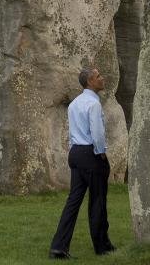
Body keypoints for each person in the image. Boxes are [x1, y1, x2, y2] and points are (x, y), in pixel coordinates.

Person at [49, 68, 116, 259]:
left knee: (73, 201)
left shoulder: (74, 104)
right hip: (91, 154)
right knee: (97, 201)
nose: (102, 78)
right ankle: (102, 246)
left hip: (76, 153)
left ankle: (58, 246)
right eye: (98, 76)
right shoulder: (93, 104)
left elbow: (72, 133)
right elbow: (97, 132)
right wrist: (101, 153)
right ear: (90, 82)